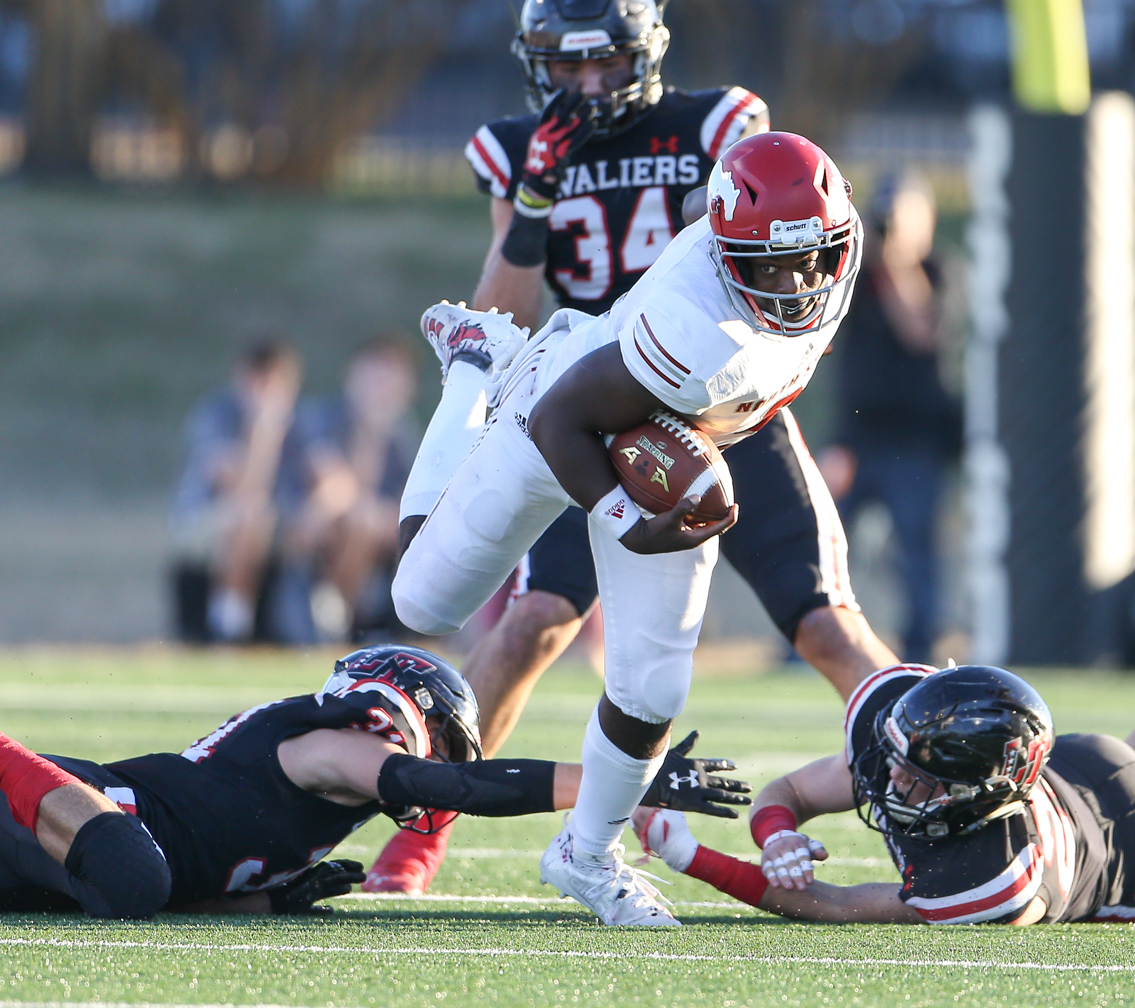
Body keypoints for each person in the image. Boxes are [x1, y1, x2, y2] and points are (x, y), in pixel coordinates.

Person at [366, 0, 901, 898]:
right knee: (533, 620)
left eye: (605, 58)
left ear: (646, 49)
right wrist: (534, 202)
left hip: (722, 411)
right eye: (565, 67)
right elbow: (506, 313)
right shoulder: (516, 151)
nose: (585, 86)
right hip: (587, 399)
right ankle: (421, 839)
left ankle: (933, 774)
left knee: (825, 621)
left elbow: (777, 253)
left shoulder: (717, 127)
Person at [0, 645, 747, 919]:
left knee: (138, 886)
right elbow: (461, 788)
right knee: (134, 875)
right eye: (449, 745)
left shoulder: (341, 792)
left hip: (53, 859)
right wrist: (625, 778)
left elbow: (178, 884)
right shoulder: (339, 740)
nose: (447, 767)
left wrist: (262, 901)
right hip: (73, 810)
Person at [634, 663, 1135, 925]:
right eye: (894, 758)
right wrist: (776, 833)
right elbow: (794, 789)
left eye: (919, 778)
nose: (891, 781)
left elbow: (837, 905)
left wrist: (688, 855)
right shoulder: (901, 741)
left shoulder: (996, 878)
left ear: (979, 792)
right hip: (1088, 762)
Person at [818, 172, 961, 662]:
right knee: (823, 543)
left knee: (916, 554)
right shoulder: (859, 277)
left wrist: (898, 262)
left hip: (916, 441)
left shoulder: (939, 273)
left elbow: (921, 332)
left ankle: (921, 647)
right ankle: (809, 642)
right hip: (859, 439)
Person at [170, 338, 309, 643]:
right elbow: (241, 486)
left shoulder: (301, 423)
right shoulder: (218, 415)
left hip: (279, 523)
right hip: (210, 523)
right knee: (250, 516)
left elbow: (328, 475)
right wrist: (262, 429)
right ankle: (230, 625)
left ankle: (329, 624)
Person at [290, 339, 422, 641]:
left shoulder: (403, 432)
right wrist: (370, 435)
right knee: (353, 515)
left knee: (365, 520)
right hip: (311, 517)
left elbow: (410, 500)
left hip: (365, 526)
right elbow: (329, 481)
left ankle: (340, 613)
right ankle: (339, 616)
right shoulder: (322, 417)